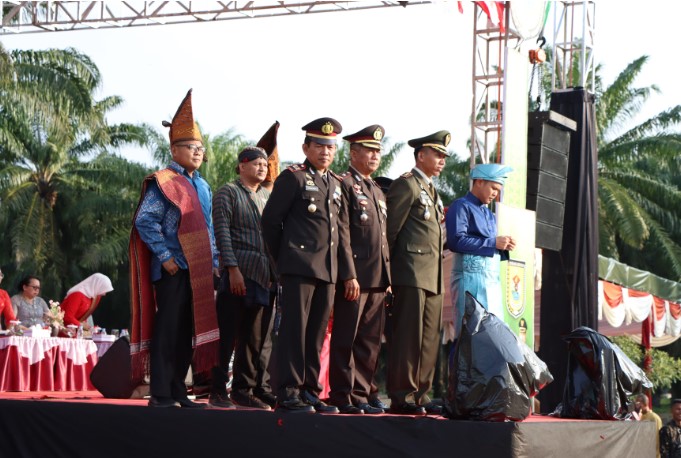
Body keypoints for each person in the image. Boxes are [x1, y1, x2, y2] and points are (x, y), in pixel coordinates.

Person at [130, 89, 220, 409]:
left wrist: (215, 261)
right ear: (174, 149)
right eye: (191, 147)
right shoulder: (164, 180)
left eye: (200, 148)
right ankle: (161, 394)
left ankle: (180, 391)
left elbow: (208, 228)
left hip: (198, 269)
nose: (197, 152)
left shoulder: (203, 186)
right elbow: (145, 220)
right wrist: (165, 256)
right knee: (168, 330)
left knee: (187, 333)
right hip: (173, 268)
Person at [262, 117, 358, 414]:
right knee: (294, 329)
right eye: (319, 146)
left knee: (316, 333)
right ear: (306, 147)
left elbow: (342, 233)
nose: (325, 152)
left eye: (330, 147)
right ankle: (288, 391)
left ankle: (309, 390)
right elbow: (270, 222)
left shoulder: (336, 183)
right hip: (298, 267)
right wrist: (285, 259)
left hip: (328, 270)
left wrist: (348, 273)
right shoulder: (294, 177)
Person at [385, 130, 450, 416]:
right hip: (409, 273)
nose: (442, 161)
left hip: (432, 276)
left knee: (428, 340)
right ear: (420, 155)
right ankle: (402, 395)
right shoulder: (406, 185)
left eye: (444, 157)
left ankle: (422, 394)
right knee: (408, 337)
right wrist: (387, 275)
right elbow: (390, 234)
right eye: (437, 155)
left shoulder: (433, 191)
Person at [328, 125, 391, 415]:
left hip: (378, 277)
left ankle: (361, 394)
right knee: (347, 337)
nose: (375, 155)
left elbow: (382, 238)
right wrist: (348, 274)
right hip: (356, 276)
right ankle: (342, 394)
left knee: (369, 340)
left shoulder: (376, 189)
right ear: (353, 153)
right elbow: (341, 232)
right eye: (369, 150)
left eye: (378, 151)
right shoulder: (343, 183)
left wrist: (387, 277)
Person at [209, 146, 276, 411]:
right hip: (238, 272)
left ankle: (243, 390)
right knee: (227, 335)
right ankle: (216, 391)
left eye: (264, 164)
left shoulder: (266, 196)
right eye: (256, 163)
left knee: (253, 338)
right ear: (241, 166)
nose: (262, 167)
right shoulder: (228, 191)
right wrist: (232, 268)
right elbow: (222, 232)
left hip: (263, 274)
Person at [445, 163, 515, 336]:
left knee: (493, 335)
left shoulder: (489, 215)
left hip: (491, 282)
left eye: (498, 190)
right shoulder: (460, 206)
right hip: (469, 280)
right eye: (493, 188)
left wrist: (503, 245)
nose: (495, 194)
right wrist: (493, 243)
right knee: (471, 335)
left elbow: (489, 246)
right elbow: (456, 241)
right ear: (479, 182)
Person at [635, 393, 663, 458]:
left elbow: (657, 439)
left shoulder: (654, 418)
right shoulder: (639, 416)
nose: (636, 406)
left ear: (645, 404)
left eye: (638, 404)